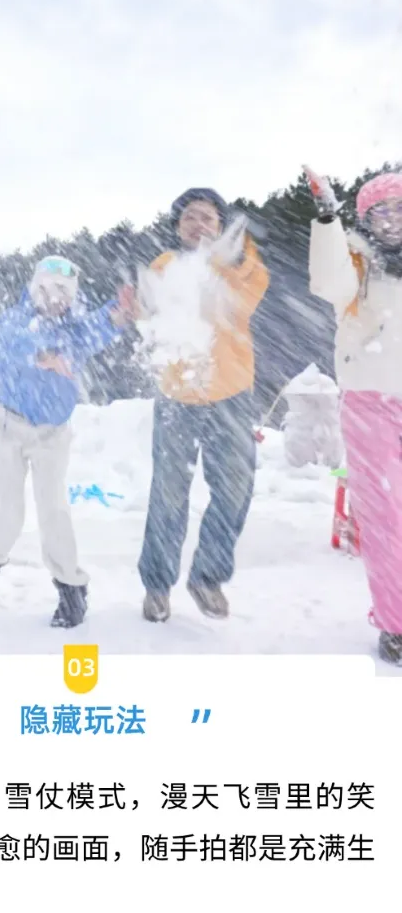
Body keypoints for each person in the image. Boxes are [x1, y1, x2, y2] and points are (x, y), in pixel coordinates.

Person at [0, 254, 135, 627]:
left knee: (53, 509)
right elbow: (7, 339)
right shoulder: (17, 318)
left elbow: (100, 326)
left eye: (62, 290)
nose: (53, 296)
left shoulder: (77, 328)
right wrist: (41, 353)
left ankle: (71, 587)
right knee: (5, 506)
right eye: (45, 288)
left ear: (71, 295)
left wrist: (119, 314)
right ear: (34, 289)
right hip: (9, 425)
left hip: (53, 432)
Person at [136, 187, 270, 622]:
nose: (198, 224)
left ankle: (207, 577)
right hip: (177, 396)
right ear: (178, 227)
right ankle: (157, 586)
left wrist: (232, 257)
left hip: (230, 393)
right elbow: (150, 320)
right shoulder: (164, 265)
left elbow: (250, 295)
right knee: (168, 494)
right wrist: (137, 310)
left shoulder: (238, 261)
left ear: (220, 226)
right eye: (189, 217)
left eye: (208, 217)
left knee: (234, 490)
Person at [306, 166, 402, 666]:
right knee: (384, 516)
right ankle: (396, 624)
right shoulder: (355, 261)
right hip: (370, 401)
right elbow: (327, 282)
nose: (392, 220)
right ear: (366, 219)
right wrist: (328, 219)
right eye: (381, 212)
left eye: (401, 210)